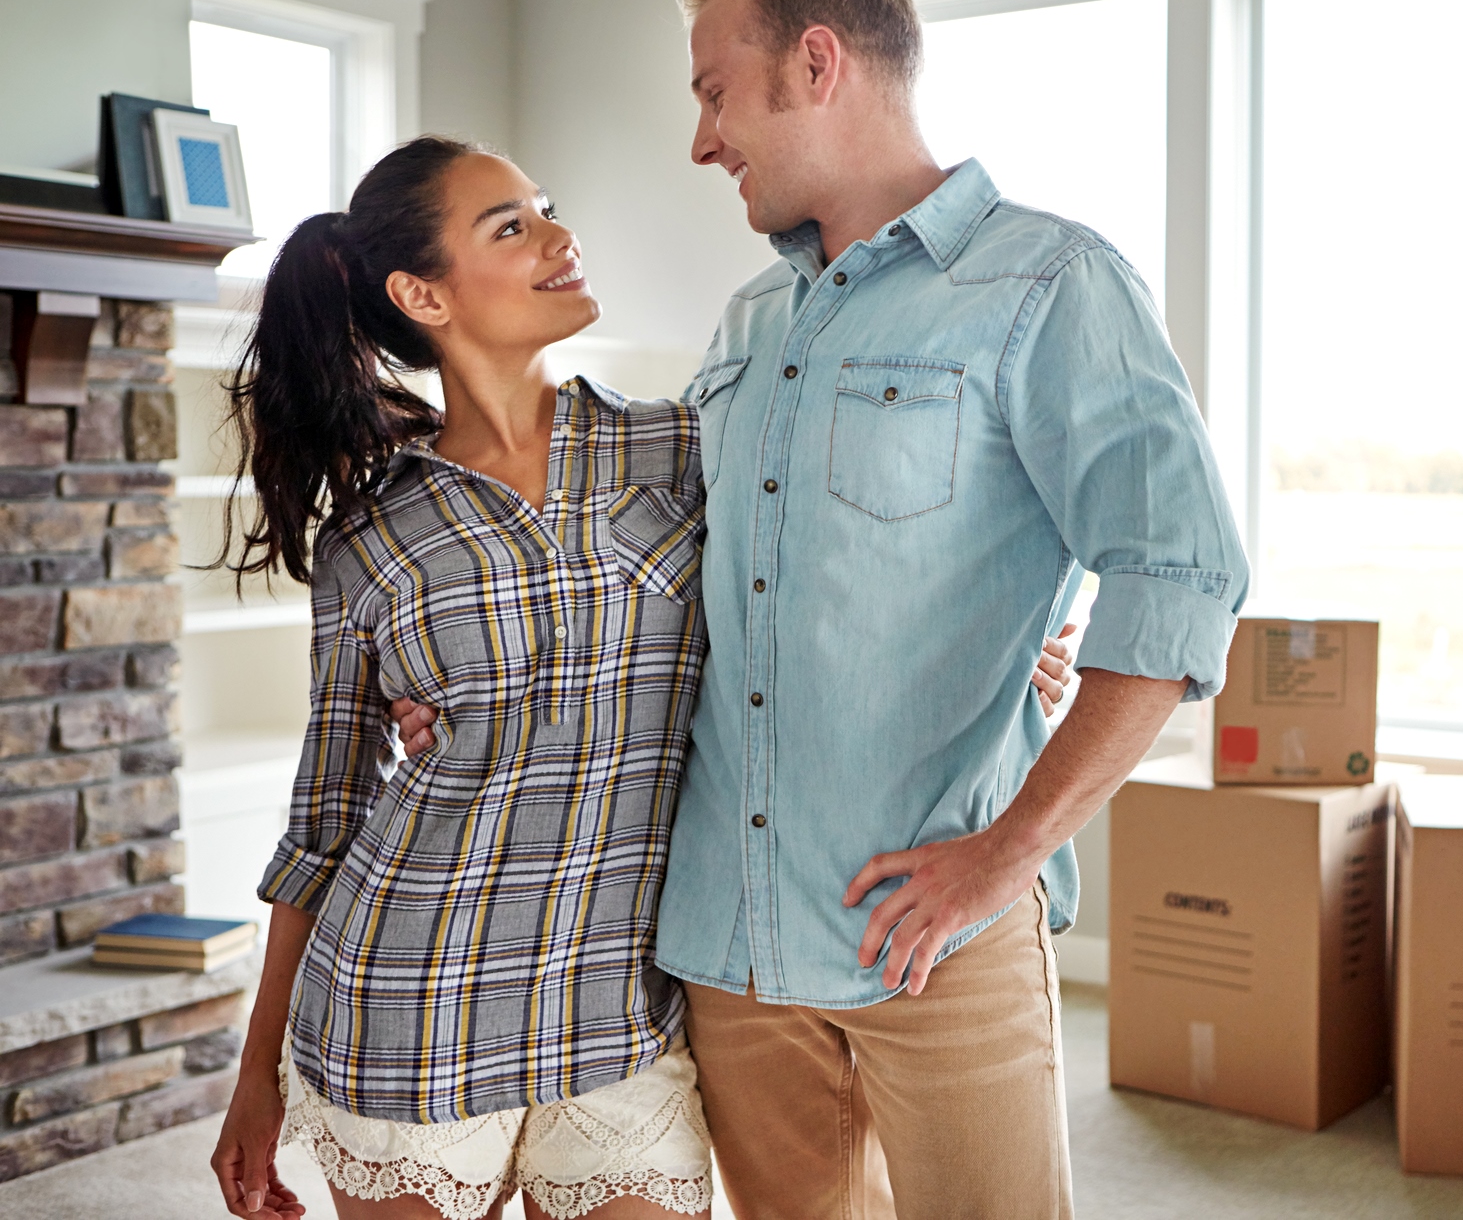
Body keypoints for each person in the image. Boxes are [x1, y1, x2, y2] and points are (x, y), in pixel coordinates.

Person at [204, 133, 1083, 1220]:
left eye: (547, 206)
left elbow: (841, 579)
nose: (560, 237)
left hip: (620, 1017)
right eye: (511, 226)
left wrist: (1001, 648)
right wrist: (254, 1077)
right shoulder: (373, 539)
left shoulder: (684, 449)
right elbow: (326, 813)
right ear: (420, 294)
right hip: (410, 1005)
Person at [631, 0, 1248, 1218]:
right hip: (730, 947)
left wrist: (1010, 851)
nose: (702, 139)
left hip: (939, 946)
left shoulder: (1047, 283)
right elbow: (683, 578)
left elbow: (1178, 572)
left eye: (712, 92)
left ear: (814, 64)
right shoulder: (750, 323)